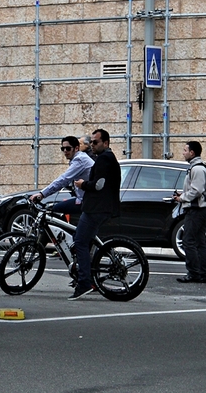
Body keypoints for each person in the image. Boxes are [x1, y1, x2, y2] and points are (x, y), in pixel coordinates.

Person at [72, 128, 121, 300]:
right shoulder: (108, 158)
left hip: (96, 208)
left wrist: (82, 184)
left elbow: (99, 185)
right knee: (86, 240)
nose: (92, 145)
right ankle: (86, 275)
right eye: (91, 142)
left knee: (80, 241)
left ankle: (85, 282)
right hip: (102, 207)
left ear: (105, 143)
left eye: (95, 142)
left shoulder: (103, 159)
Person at [173, 141, 206, 283]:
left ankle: (194, 273)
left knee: (188, 240)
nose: (183, 153)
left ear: (192, 153)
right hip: (199, 209)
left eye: (185, 150)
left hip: (197, 210)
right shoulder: (196, 168)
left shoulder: (198, 169)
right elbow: (195, 189)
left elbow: (197, 191)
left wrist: (182, 198)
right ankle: (202, 273)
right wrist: (182, 194)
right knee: (200, 241)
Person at [30, 136, 94, 215]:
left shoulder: (79, 160)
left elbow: (64, 179)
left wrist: (42, 194)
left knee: (56, 209)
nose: (65, 151)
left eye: (68, 148)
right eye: (62, 149)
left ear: (76, 148)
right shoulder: (79, 158)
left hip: (87, 201)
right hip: (84, 199)